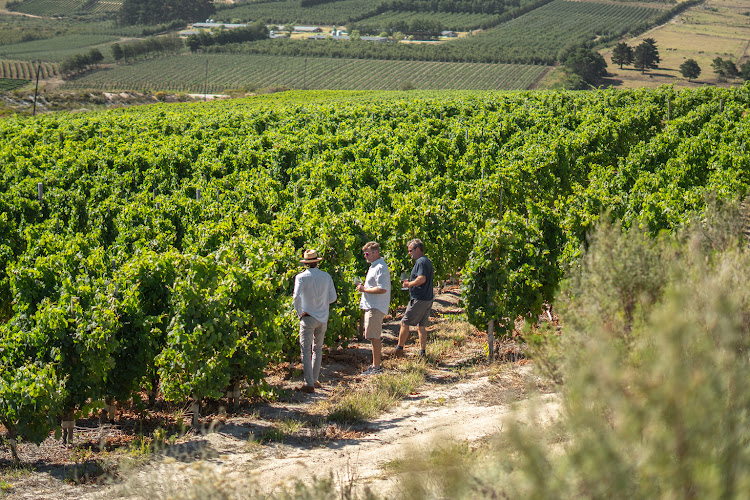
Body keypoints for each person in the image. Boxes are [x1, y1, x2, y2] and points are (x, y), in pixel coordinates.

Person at [292, 248, 337, 393]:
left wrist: (300, 313)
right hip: (323, 317)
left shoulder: (301, 277)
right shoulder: (326, 276)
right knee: (317, 349)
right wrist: (322, 304)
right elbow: (333, 298)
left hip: (308, 317)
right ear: (317, 262)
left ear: (305, 263)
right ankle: (315, 380)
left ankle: (309, 383)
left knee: (305, 350)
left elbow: (296, 298)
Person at [394, 238, 433, 358]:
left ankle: (399, 350)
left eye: (411, 250)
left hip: (419, 299)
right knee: (421, 326)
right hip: (427, 298)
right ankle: (422, 352)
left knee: (405, 322)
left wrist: (409, 284)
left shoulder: (421, 262)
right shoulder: (427, 260)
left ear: (418, 249)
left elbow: (422, 279)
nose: (409, 253)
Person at [356, 241, 391, 375]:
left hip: (375, 307)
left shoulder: (380, 267)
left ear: (376, 253)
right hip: (372, 306)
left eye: (367, 254)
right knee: (372, 336)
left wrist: (364, 289)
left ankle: (377, 367)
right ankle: (375, 366)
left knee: (374, 337)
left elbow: (382, 289)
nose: (365, 256)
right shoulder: (374, 266)